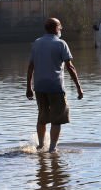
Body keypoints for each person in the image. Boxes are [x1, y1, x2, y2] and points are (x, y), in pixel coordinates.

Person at [27, 17, 83, 153]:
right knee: (56, 119)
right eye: (60, 26)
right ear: (55, 28)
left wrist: (29, 87)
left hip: (40, 87)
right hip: (55, 87)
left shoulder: (37, 43)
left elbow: (31, 66)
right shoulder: (61, 44)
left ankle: (40, 146)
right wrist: (79, 87)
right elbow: (70, 67)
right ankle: (52, 148)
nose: (61, 29)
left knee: (42, 117)